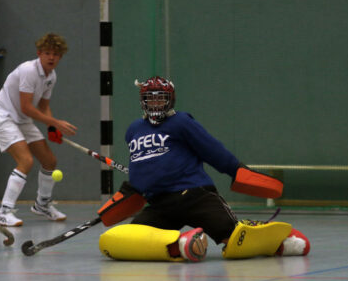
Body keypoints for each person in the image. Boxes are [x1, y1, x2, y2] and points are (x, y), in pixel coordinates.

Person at [98, 76, 310, 262]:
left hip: (195, 196)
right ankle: (181, 245)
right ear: (142, 101)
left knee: (234, 239)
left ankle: (281, 242)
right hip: (160, 204)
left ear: (170, 99)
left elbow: (212, 150)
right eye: (149, 98)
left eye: (160, 98)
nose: (154, 103)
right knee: (134, 237)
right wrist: (128, 193)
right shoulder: (134, 129)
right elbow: (139, 170)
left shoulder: (181, 121)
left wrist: (237, 171)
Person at [0, 32, 76, 227]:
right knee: (26, 160)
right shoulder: (29, 70)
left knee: (49, 161)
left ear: (60, 56)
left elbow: (43, 106)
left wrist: (52, 125)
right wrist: (57, 123)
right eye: (47, 53)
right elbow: (27, 107)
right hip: (3, 118)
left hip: (22, 120)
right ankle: (3, 212)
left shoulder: (51, 76)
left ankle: (42, 205)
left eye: (56, 54)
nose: (51, 57)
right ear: (39, 53)